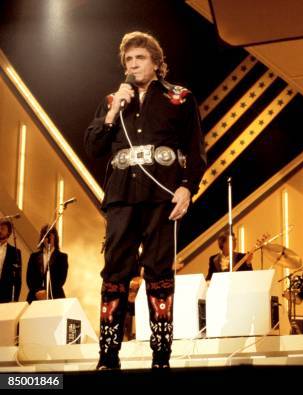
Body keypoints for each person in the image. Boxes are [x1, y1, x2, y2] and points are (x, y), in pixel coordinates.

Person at [84, 31, 206, 370]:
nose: (133, 64)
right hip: (121, 197)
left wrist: (187, 186)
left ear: (156, 63)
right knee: (115, 273)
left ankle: (161, 358)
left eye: (140, 58)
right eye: (128, 60)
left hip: (160, 197)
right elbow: (94, 148)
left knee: (158, 272)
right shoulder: (112, 101)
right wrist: (112, 113)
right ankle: (108, 357)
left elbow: (196, 149)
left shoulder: (180, 98)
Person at [26, 225, 68, 303]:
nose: (48, 239)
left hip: (55, 296)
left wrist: (47, 292)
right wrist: (37, 292)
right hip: (35, 296)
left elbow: (61, 279)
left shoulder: (62, 257)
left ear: (55, 238)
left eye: (50, 236)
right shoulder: (34, 256)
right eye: (45, 236)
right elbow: (29, 278)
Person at [0, 220, 22, 303]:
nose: (0, 231)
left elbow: (18, 278)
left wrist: (15, 299)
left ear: (8, 232)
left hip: (5, 293)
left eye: (2, 229)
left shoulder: (15, 252)